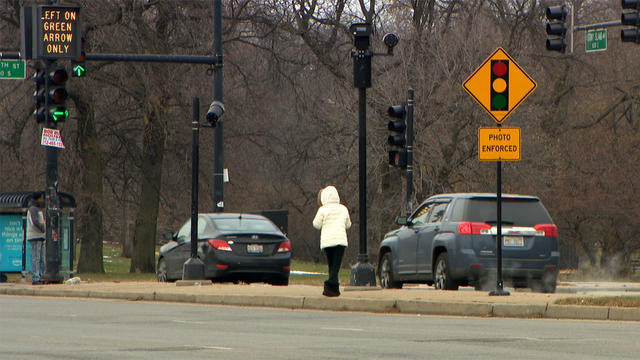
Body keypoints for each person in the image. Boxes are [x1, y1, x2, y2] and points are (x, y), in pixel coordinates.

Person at [313, 186, 351, 297]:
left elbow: (316, 224)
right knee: (336, 266)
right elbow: (348, 225)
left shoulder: (322, 210)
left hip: (327, 242)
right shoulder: (343, 209)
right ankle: (333, 288)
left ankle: (330, 288)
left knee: (331, 265)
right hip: (340, 241)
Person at [27, 192, 46, 285]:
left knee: (41, 258)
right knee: (36, 258)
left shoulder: (38, 209)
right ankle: (36, 277)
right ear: (38, 199)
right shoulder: (33, 209)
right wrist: (42, 229)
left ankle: (40, 276)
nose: (43, 200)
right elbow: (35, 222)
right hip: (35, 236)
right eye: (42, 198)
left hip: (40, 236)